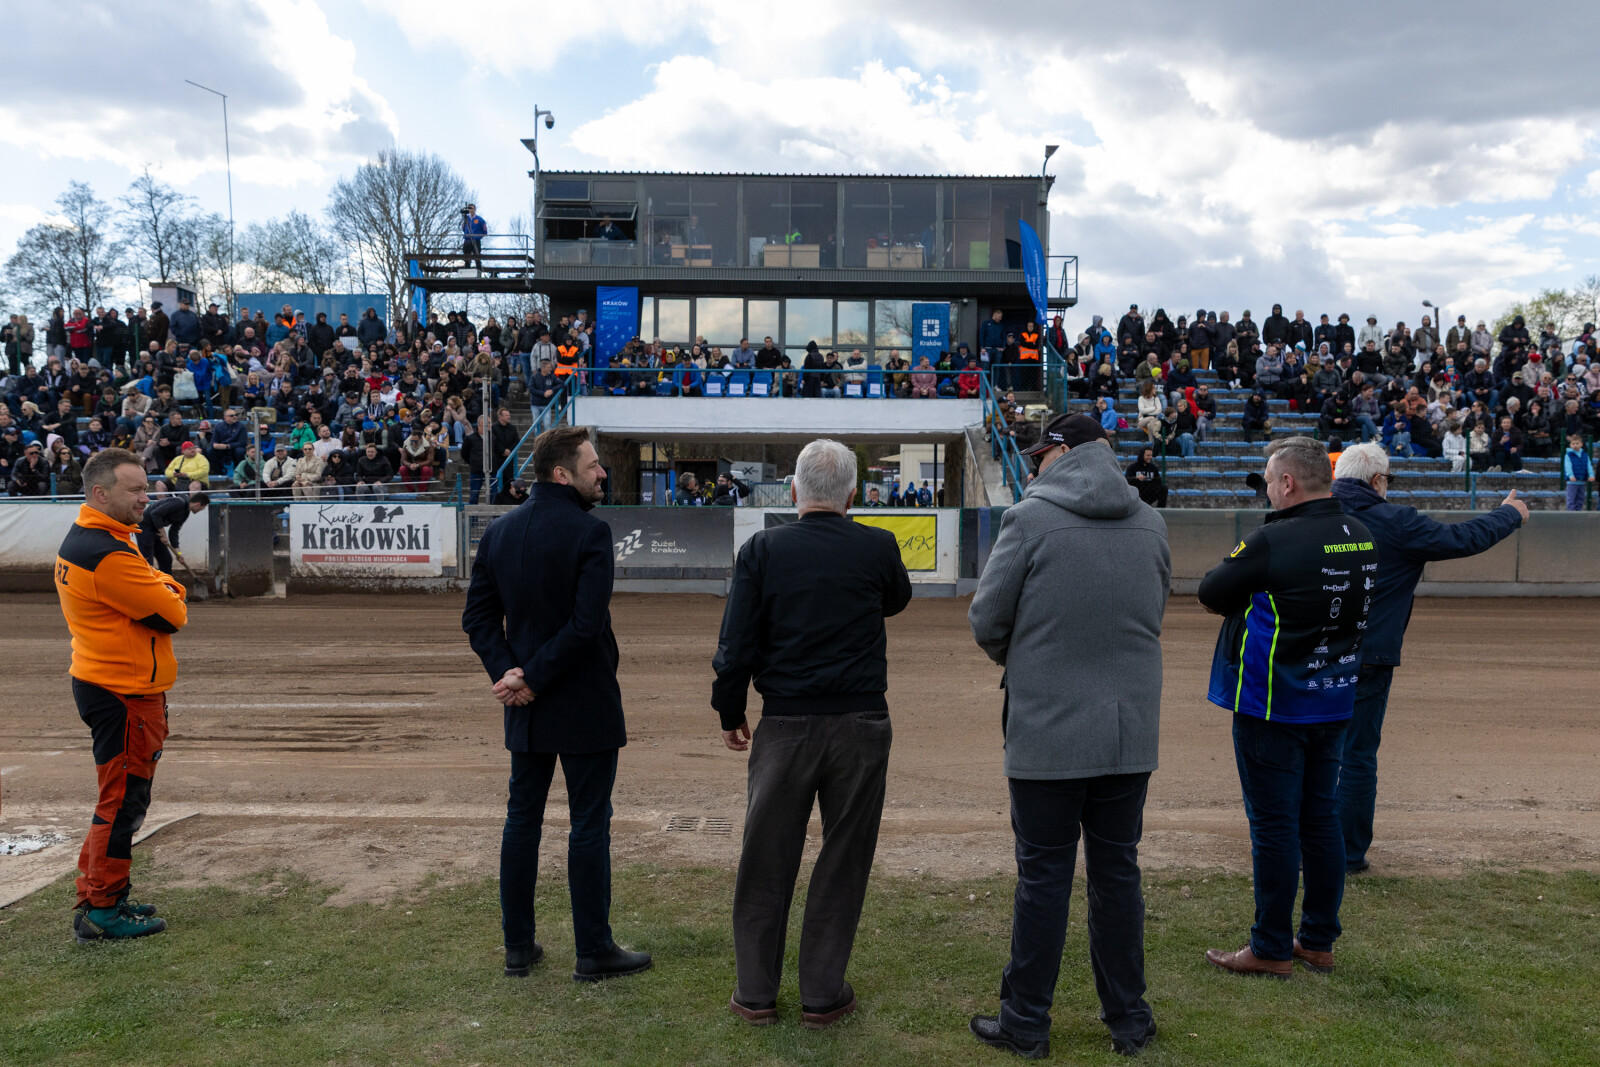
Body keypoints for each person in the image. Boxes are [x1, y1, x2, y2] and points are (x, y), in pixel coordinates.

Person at [966, 414, 1170, 1059]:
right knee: (1118, 875)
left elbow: (988, 619)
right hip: (1125, 728)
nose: (1031, 464)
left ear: (1063, 452)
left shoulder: (1030, 520)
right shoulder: (1152, 522)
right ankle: (1128, 1021)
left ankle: (1026, 1022)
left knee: (1045, 878)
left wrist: (1030, 661)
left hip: (1048, 728)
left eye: (1038, 452)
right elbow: (1154, 609)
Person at [713, 439, 912, 1029]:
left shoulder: (762, 549)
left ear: (793, 492)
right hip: (861, 723)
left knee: (765, 857)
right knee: (844, 858)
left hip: (786, 723)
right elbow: (897, 600)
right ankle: (822, 995)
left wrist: (730, 712)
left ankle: (756, 993)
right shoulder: (877, 544)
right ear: (853, 495)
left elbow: (735, 647)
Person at [462, 425, 651, 983]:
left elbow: (477, 619)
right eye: (593, 465)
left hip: (526, 705)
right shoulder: (591, 533)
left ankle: (518, 948)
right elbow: (586, 626)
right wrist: (529, 678)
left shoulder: (499, 533)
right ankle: (593, 952)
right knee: (588, 826)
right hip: (581, 700)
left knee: (522, 820)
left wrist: (511, 674)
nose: (602, 473)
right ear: (562, 473)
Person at [1198, 437, 1376, 979]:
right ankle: (1318, 941)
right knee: (1319, 819)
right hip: (1335, 699)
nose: (1268, 490)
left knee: (1274, 826)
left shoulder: (1272, 540)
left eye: (1270, 481)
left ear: (1288, 484)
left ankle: (1271, 947)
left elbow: (1211, 591)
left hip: (1273, 705)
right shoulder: (1361, 534)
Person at [1330, 445, 1526, 873]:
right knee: (1357, 754)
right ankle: (1345, 855)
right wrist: (1509, 514)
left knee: (1310, 751)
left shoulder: (1309, 514)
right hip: (1367, 655)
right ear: (1377, 481)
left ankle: (1304, 846)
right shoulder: (1395, 521)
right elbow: (1463, 538)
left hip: (1307, 654)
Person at [55, 449, 190, 942]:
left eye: (145, 487)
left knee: (120, 797)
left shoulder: (103, 538)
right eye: (134, 489)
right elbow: (173, 613)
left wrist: (161, 586)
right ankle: (101, 908)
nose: (145, 497)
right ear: (100, 493)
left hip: (110, 683)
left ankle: (102, 891)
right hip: (122, 692)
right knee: (122, 802)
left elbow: (158, 591)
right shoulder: (106, 552)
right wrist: (170, 589)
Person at [137, 491, 209, 577]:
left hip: (157, 530)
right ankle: (146, 585)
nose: (201, 510)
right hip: (145, 526)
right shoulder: (178, 502)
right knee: (147, 560)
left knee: (166, 559)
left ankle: (167, 585)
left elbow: (174, 532)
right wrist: (163, 533)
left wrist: (178, 554)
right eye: (202, 508)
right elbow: (155, 514)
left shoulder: (185, 513)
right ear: (198, 504)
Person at [1564, 435, 1595, 511]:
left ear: (1581, 444)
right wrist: (1571, 475)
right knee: (1571, 500)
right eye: (1573, 444)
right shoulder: (1568, 455)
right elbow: (1568, 467)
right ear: (1570, 445)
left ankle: (1578, 515)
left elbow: (1589, 465)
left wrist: (1591, 474)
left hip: (1582, 481)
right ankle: (1571, 516)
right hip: (1572, 482)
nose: (1575, 445)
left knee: (1580, 500)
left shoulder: (1585, 455)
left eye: (1577, 443)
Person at [462, 203, 487, 272]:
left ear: (475, 209)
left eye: (471, 208)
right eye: (469, 208)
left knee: (477, 257)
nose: (470, 210)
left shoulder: (480, 220)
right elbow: (464, 229)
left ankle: (479, 271)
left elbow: (485, 231)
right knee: (467, 257)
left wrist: (478, 237)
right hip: (467, 240)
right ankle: (467, 270)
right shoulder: (466, 219)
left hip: (476, 240)